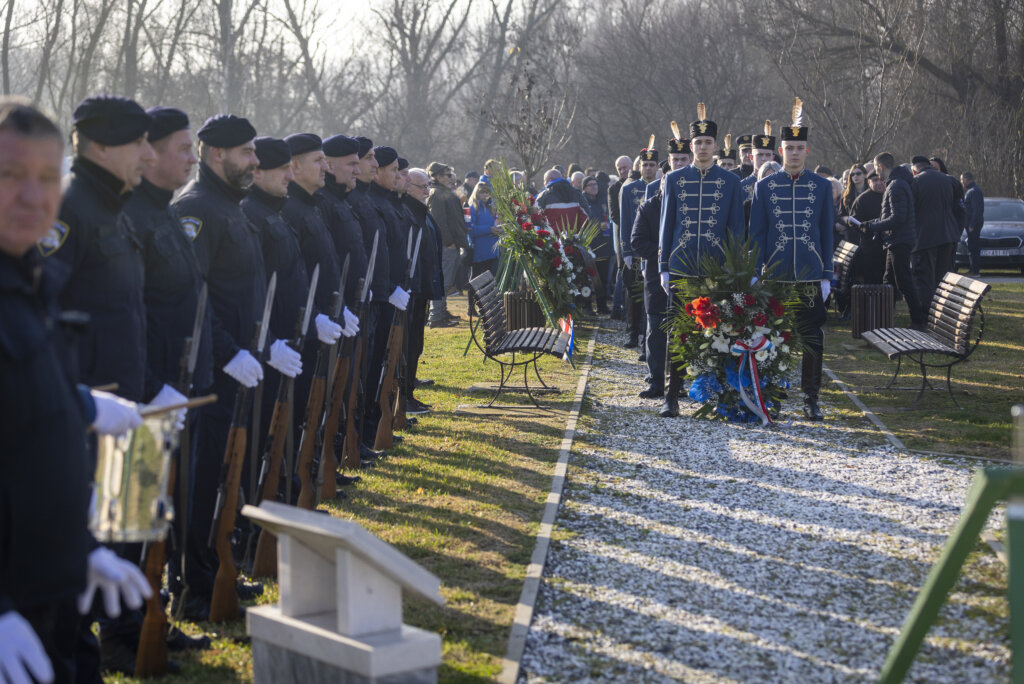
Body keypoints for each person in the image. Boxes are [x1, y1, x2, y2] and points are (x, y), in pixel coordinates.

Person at [1, 96, 151, 684]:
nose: (34, 196)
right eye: (10, 175)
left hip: (50, 581)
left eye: (47, 177)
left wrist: (79, 549)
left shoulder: (30, 285)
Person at [171, 114, 279, 620]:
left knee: (224, 475)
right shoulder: (196, 209)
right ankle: (194, 585)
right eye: (247, 152)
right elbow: (195, 297)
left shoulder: (229, 207)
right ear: (216, 154)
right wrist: (228, 351)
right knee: (201, 479)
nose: (255, 161)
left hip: (238, 365)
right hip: (213, 371)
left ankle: (217, 568)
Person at [122, 107, 214, 653]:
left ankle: (148, 617)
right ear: (149, 152)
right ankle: (124, 632)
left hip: (175, 387)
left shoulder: (161, 213)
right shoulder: (132, 215)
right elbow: (127, 313)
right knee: (131, 517)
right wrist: (153, 383)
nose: (190, 157)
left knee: (155, 512)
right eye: (182, 147)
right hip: (143, 392)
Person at [748, 97, 834, 421]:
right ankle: (775, 395)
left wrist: (826, 274)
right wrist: (755, 271)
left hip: (810, 275)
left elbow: (826, 232)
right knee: (774, 337)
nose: (794, 153)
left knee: (812, 338)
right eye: (789, 148)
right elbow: (757, 234)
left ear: (807, 150)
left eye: (799, 148)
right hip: (776, 276)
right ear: (780, 151)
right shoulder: (765, 187)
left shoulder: (821, 187)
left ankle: (811, 397)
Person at [659, 103, 746, 418]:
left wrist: (736, 269)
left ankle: (720, 396)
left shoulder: (731, 182)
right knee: (677, 332)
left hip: (717, 269)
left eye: (708, 142)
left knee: (719, 332)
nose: (703, 147)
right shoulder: (674, 179)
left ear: (715, 144)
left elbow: (736, 230)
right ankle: (671, 395)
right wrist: (663, 268)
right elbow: (666, 224)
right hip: (681, 265)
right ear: (691, 145)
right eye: (698, 142)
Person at [863, 152, 925, 328]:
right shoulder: (896, 183)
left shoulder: (896, 186)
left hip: (900, 240)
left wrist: (873, 227)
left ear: (881, 166)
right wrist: (871, 224)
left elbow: (898, 218)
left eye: (876, 169)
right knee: (888, 280)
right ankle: (883, 320)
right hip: (896, 240)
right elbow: (892, 215)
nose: (876, 173)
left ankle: (918, 320)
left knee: (903, 281)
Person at [910, 154, 961, 307]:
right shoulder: (949, 180)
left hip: (924, 238)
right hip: (948, 236)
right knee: (943, 279)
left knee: (924, 280)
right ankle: (943, 312)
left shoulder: (915, 182)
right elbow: (958, 206)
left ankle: (926, 314)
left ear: (914, 170)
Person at [620, 144, 658, 350]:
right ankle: (632, 332)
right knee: (633, 295)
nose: (648, 168)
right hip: (635, 250)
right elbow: (625, 221)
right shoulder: (629, 189)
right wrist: (625, 250)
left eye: (652, 165)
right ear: (640, 167)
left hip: (653, 249)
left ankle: (646, 336)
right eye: (645, 165)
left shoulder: (662, 186)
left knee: (651, 296)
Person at [425, 161, 467, 324]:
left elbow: (459, 207)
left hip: (452, 243)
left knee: (447, 282)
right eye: (448, 175)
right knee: (443, 282)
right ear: (437, 176)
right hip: (446, 245)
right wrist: (449, 242)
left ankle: (442, 312)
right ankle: (436, 316)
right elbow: (439, 221)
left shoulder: (445, 191)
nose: (451, 178)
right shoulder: (436, 193)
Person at [607, 155, 634, 320]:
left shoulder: (638, 183)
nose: (623, 171)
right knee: (622, 270)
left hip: (639, 234)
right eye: (620, 169)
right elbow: (614, 215)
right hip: (622, 234)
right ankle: (617, 307)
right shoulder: (614, 189)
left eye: (625, 167)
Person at [466, 181, 500, 278]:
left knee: (491, 281)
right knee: (477, 280)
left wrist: (499, 229)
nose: (485, 195)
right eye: (482, 192)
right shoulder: (471, 208)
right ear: (476, 193)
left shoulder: (492, 208)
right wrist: (489, 229)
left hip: (493, 252)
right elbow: (470, 230)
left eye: (487, 192)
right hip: (479, 253)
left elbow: (496, 224)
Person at [740, 121, 776, 205]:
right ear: (751, 157)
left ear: (772, 158)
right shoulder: (740, 187)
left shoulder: (781, 184)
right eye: (760, 155)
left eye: (768, 155)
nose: (764, 159)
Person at [961, 171, 984, 276]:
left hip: (973, 224)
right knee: (971, 246)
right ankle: (972, 269)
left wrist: (972, 224)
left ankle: (975, 271)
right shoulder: (971, 191)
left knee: (973, 247)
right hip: (971, 223)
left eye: (962, 179)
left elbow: (976, 210)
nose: (962, 182)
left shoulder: (974, 191)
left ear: (966, 179)